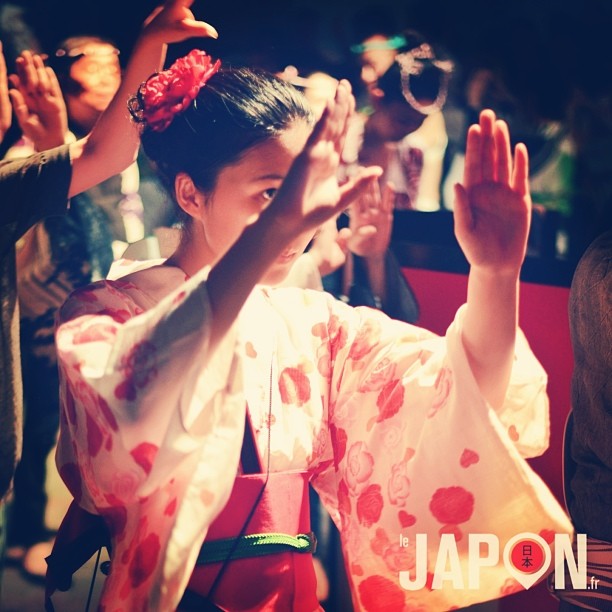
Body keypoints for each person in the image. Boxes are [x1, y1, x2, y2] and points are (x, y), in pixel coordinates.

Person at [50, 46, 574, 611]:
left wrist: (496, 275)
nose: (297, 221)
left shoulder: (310, 324)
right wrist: (274, 230)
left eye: (303, 194)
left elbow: (461, 396)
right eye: (272, 194)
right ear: (190, 193)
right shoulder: (108, 314)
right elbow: (131, 409)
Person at [0, 0, 217, 579]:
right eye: (96, 67)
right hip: (59, 332)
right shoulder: (27, 170)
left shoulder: (144, 154)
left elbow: (111, 155)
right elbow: (67, 266)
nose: (109, 72)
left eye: (116, 64)